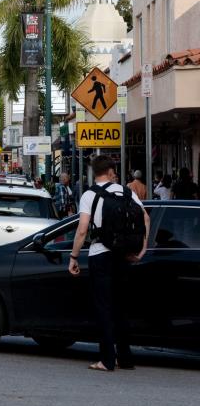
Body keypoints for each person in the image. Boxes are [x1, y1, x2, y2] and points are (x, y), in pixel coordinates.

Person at [68, 156, 149, 372]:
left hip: (100, 254)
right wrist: (141, 249)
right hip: (123, 255)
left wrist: (74, 257)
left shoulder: (89, 195)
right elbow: (145, 218)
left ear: (94, 172)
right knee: (121, 307)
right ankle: (125, 358)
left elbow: (83, 228)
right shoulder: (126, 192)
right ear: (112, 171)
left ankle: (106, 359)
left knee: (104, 307)